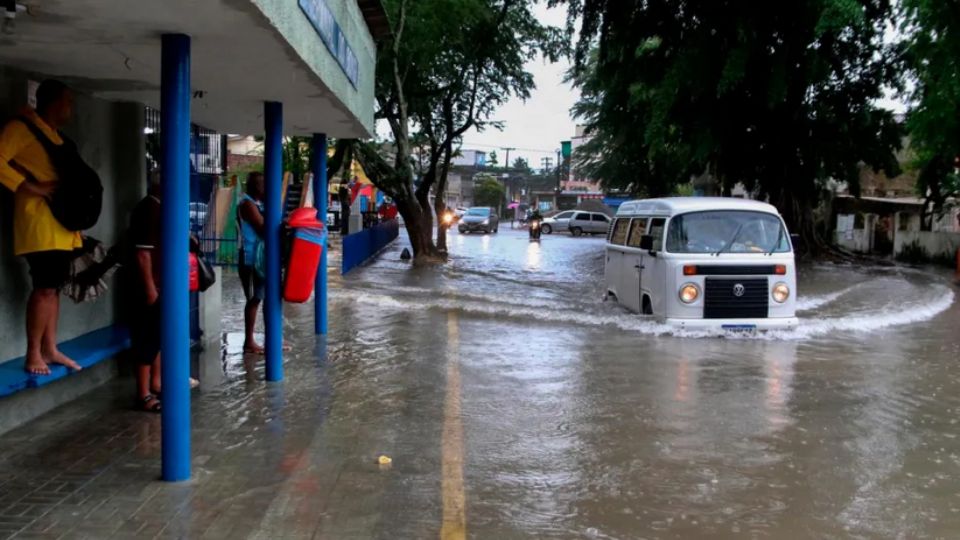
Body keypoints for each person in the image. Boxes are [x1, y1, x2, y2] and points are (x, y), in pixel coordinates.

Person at [0, 80, 82, 375]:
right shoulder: (21, 128)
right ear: (54, 103)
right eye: (68, 101)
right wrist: (27, 186)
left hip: (60, 224)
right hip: (38, 221)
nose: (71, 108)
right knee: (44, 288)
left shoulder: (54, 135)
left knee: (54, 288)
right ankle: (33, 352)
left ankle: (50, 347)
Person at [128, 175, 163, 411]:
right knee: (147, 338)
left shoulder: (158, 208)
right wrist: (150, 289)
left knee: (156, 336)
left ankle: (156, 383)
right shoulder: (149, 209)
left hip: (159, 285)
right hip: (150, 287)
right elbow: (143, 254)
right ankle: (143, 394)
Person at [237, 172, 266, 354]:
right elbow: (263, 227)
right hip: (250, 257)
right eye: (264, 185)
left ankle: (266, 338)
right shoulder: (247, 204)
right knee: (254, 298)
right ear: (257, 187)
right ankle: (249, 340)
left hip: (260, 257)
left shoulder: (258, 203)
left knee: (262, 296)